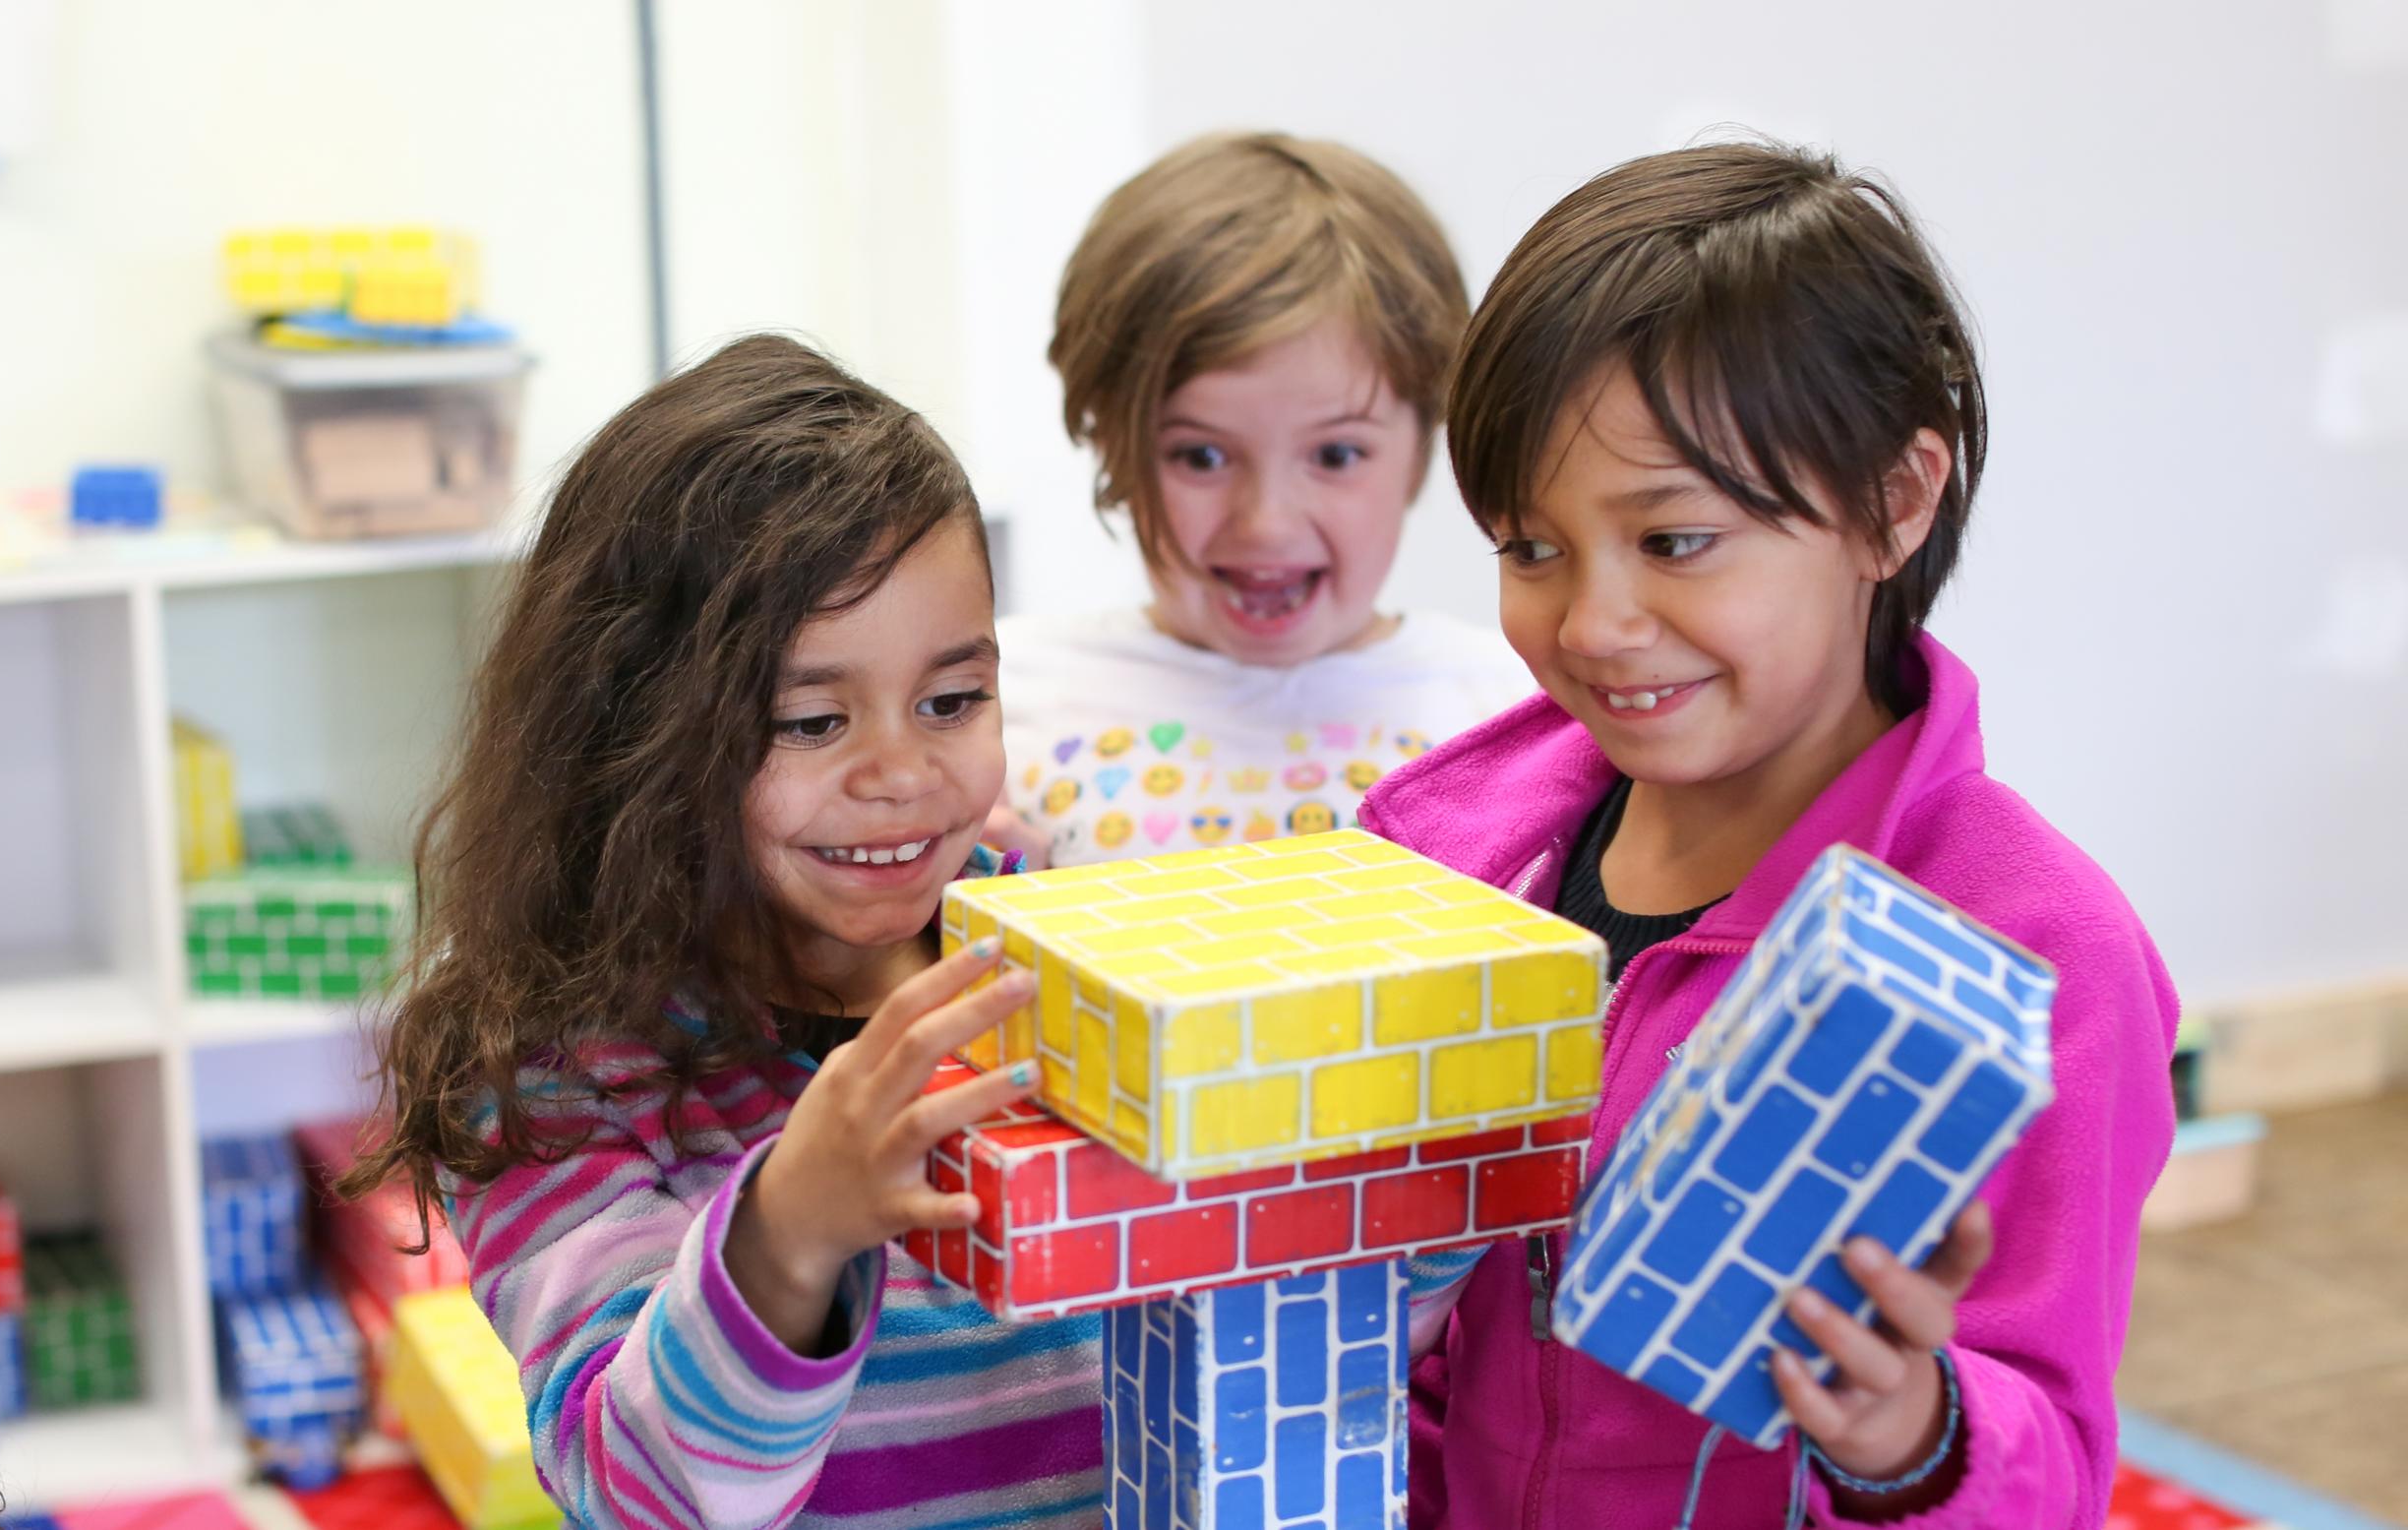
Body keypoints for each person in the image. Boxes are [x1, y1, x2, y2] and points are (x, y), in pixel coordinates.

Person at [1359, 141, 2177, 1528]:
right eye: (1530, 546)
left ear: (1894, 501)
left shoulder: (2037, 950)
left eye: (1674, 540)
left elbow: (2049, 1464)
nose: (1595, 624)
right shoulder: (1463, 853)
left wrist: (1914, 1432)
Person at [346, 336, 1102, 1528]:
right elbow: (640, 1487)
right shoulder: (550, 1079)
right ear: (638, 734)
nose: (901, 772)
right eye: (809, 720)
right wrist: (792, 1228)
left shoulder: (1052, 962)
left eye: (951, 700)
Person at [992, 132, 1525, 869]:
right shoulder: (991, 703)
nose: (1266, 522)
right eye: (1200, 456)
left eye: (1336, 454)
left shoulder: (1524, 705)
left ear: (1427, 441)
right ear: (1110, 442)